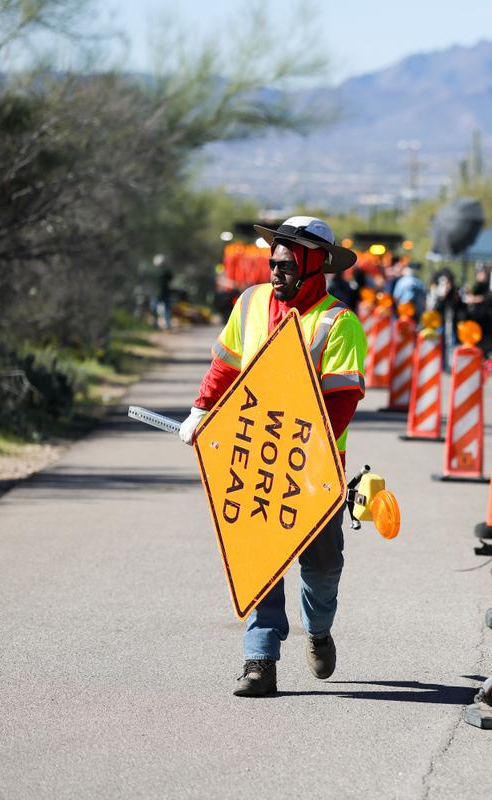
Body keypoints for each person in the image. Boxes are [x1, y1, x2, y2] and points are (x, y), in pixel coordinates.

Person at [179, 216, 365, 697]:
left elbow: (341, 401)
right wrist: (201, 410)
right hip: (253, 462)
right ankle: (260, 660)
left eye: (285, 264)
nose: (275, 272)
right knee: (258, 562)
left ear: (313, 265)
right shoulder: (250, 304)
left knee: (322, 570)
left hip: (316, 472)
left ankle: (318, 629)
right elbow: (225, 364)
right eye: (273, 262)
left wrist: (298, 451)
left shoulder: (338, 323)